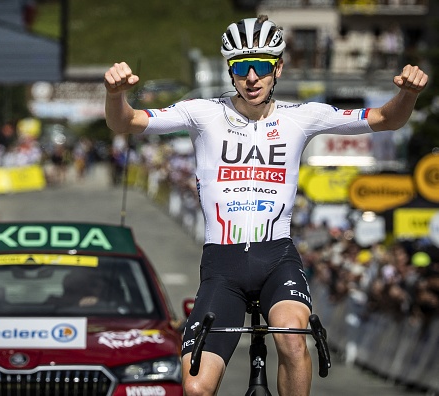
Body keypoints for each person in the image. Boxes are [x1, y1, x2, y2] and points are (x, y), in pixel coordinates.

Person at [103, 15, 428, 396]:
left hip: (277, 258)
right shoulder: (202, 113)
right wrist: (115, 94)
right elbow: (125, 123)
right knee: (195, 388)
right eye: (242, 68)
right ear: (230, 71)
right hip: (222, 266)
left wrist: (408, 93)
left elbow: (388, 119)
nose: (251, 77)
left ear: (278, 68)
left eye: (261, 67)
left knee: (292, 339)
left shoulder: (303, 116)